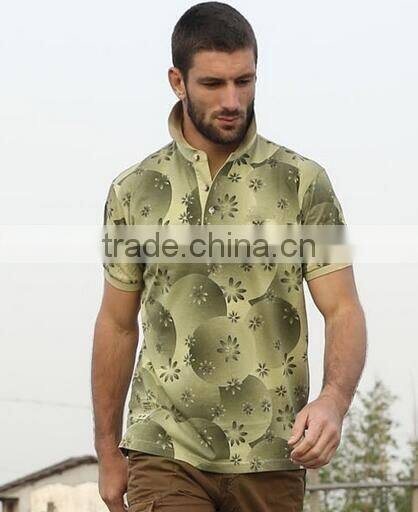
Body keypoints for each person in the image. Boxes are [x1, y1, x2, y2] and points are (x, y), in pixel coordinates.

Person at [91, 2, 367, 511]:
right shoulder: (134, 190)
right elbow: (116, 323)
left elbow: (343, 308)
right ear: (177, 82)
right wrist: (108, 449)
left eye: (244, 81)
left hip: (275, 454)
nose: (232, 100)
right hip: (164, 449)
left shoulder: (303, 182)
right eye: (213, 84)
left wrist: (334, 401)